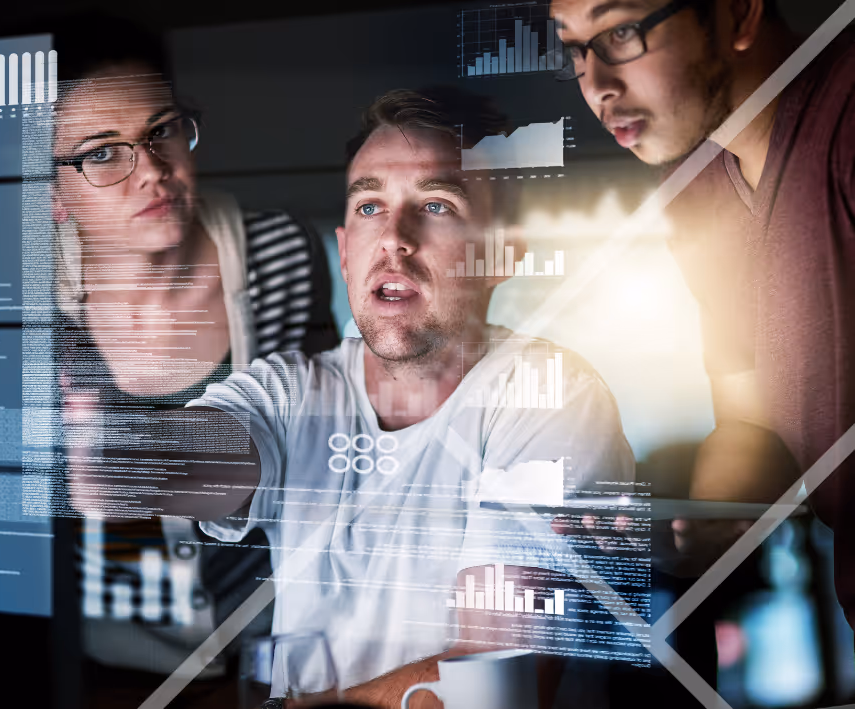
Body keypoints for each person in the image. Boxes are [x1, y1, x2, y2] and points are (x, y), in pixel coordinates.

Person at [69, 87, 636, 704]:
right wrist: (113, 454)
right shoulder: (290, 389)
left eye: (438, 205)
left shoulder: (548, 394)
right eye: (370, 207)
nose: (394, 237)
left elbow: (494, 682)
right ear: (343, 252)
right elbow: (205, 455)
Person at [50, 16, 338, 708]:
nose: (151, 169)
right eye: (103, 153)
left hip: (280, 653)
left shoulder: (280, 254)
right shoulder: (25, 306)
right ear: (53, 194)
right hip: (111, 668)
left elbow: (328, 457)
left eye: (162, 130)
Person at [549, 0, 854, 624]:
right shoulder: (693, 189)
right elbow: (754, 425)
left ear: (738, 14)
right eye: (575, 49)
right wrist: (691, 527)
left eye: (621, 33)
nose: (597, 85)